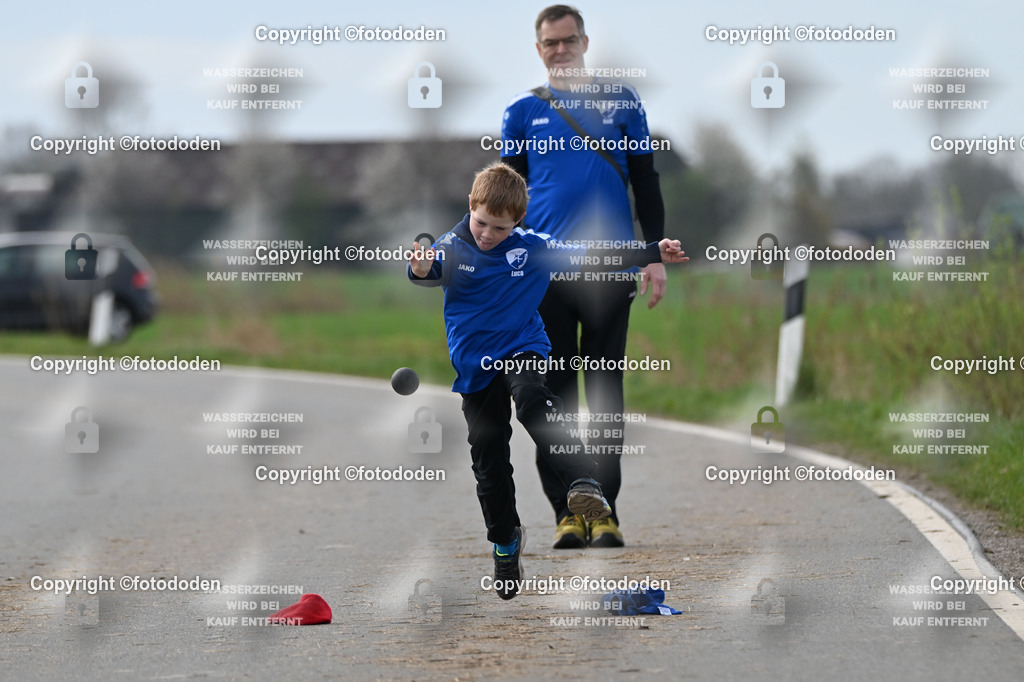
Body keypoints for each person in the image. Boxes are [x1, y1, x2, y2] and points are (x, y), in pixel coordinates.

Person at [407, 162, 686, 600]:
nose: (486, 235)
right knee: (489, 463)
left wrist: (650, 250)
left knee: (534, 400)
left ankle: (582, 481)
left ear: (518, 221)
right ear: (470, 208)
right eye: (481, 223)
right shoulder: (454, 246)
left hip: (523, 348)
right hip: (475, 367)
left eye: (498, 228)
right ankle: (505, 541)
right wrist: (421, 269)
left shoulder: (533, 246)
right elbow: (430, 270)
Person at [501, 4, 668, 549]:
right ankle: (568, 514)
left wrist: (653, 256)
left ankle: (608, 513)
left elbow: (645, 180)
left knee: (603, 393)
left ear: (585, 42)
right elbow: (503, 199)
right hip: (543, 276)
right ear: (538, 48)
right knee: (555, 399)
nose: (561, 49)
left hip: (609, 270)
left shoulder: (621, 102)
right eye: (551, 43)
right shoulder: (522, 113)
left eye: (569, 40)